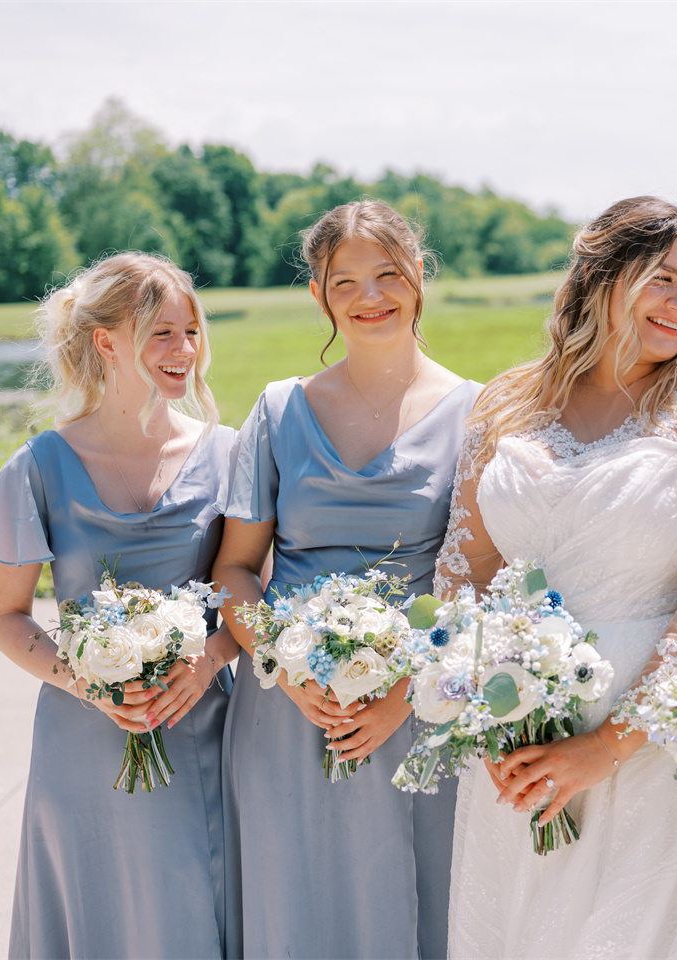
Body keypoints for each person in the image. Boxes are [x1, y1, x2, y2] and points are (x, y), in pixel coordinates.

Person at [434, 196, 677, 958]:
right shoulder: (507, 401)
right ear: (601, 277)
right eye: (664, 279)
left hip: (656, 745)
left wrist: (608, 747)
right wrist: (492, 709)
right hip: (517, 744)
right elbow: (463, 573)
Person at [213, 200, 479, 959]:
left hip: (420, 706)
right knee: (296, 906)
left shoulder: (477, 411)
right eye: (346, 282)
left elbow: (477, 581)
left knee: (421, 905)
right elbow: (234, 567)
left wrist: (407, 693)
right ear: (319, 296)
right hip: (288, 713)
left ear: (419, 276)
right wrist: (281, 666)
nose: (370, 298)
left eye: (388, 275)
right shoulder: (277, 408)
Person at [0, 252, 238, 957]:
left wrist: (206, 665)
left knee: (190, 913)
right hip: (79, 744)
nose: (183, 351)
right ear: (106, 342)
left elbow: (246, 591)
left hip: (195, 729)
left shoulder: (230, 456)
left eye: (191, 333)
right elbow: (6, 615)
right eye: (161, 333)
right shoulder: (37, 468)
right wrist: (85, 682)